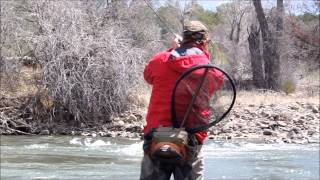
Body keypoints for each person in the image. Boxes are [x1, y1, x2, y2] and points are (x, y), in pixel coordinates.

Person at [140, 20, 223, 180]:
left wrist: (173, 50)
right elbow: (215, 84)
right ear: (205, 41)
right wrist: (200, 55)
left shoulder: (160, 60)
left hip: (156, 136)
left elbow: (148, 76)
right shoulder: (209, 70)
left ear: (183, 38)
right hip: (191, 139)